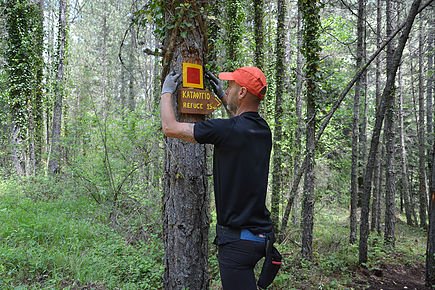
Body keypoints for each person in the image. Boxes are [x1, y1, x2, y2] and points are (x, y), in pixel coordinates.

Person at [160, 66, 277, 290]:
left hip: (237, 243)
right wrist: (224, 97)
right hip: (261, 238)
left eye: (231, 86)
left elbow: (170, 127)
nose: (229, 89)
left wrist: (167, 92)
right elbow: (240, 121)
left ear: (242, 93)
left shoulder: (227, 130)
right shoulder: (263, 130)